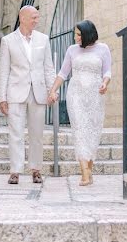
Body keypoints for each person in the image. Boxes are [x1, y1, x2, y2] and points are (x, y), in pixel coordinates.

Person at [47, 20, 111, 186]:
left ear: (88, 34)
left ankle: (89, 170)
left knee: (93, 131)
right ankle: (84, 173)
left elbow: (107, 71)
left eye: (79, 34)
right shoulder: (72, 50)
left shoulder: (103, 49)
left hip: (95, 95)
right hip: (75, 94)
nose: (75, 37)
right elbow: (63, 72)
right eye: (75, 34)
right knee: (79, 130)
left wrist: (105, 83)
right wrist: (53, 90)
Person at [0, 6, 56, 185]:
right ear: (22, 18)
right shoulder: (8, 41)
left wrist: (52, 90)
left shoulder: (43, 39)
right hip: (15, 92)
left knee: (37, 133)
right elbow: (4, 70)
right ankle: (15, 170)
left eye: (37, 17)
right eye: (33, 17)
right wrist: (2, 97)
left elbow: (48, 68)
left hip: (38, 93)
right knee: (15, 133)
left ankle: (36, 169)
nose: (36, 20)